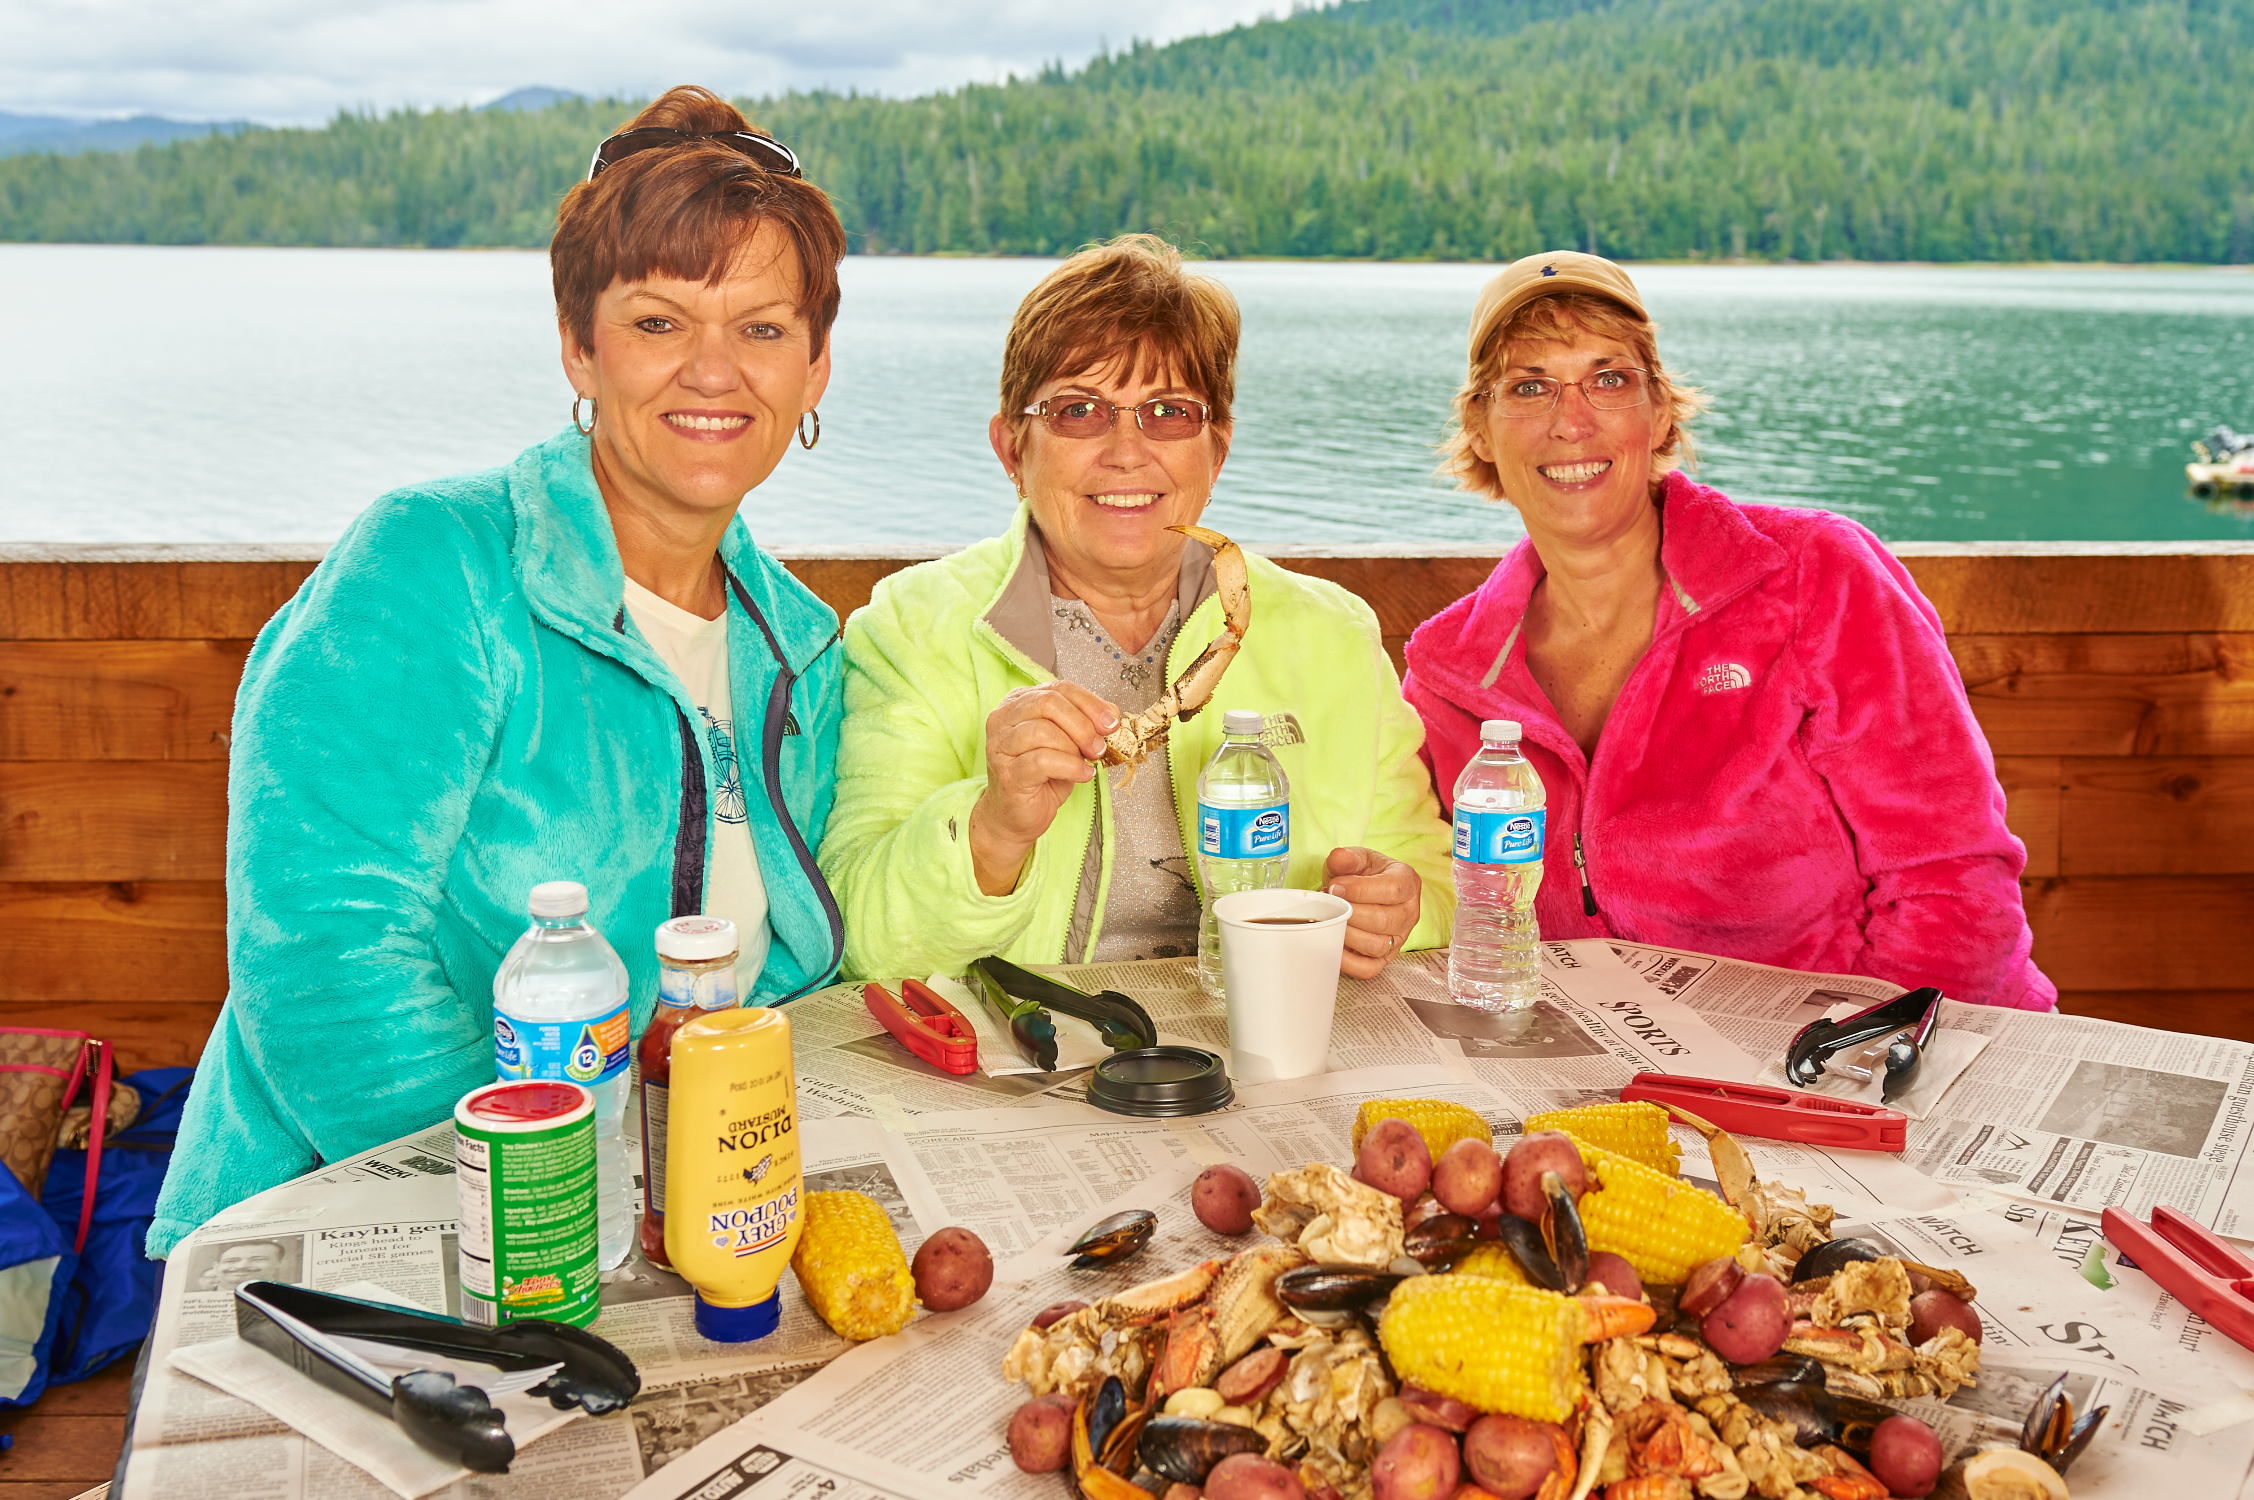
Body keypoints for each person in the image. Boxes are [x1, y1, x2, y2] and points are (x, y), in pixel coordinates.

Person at [151, 87, 851, 1257]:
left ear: (816, 370)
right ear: (580, 347)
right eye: (659, 323)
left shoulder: (800, 645)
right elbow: (322, 966)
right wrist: (544, 1204)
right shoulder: (432, 566)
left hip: (662, 1230)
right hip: (350, 1221)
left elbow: (773, 983)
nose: (715, 372)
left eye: (764, 328)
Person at [1403, 251, 2054, 1010]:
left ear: (1661, 411)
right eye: (1530, 386)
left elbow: (1953, 879)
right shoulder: (1449, 678)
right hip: (1610, 1078)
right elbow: (1449, 900)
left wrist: (1864, 1067)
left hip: (1873, 1055)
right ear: (1480, 428)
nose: (1571, 420)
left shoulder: (1816, 575)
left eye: (1609, 379)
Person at [820, 235, 1453, 981]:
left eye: (1169, 412)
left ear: (1216, 451)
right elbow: (858, 936)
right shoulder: (910, 630)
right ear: (1011, 449)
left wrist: (1397, 907)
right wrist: (992, 830)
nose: (1127, 450)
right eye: (1079, 410)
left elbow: (1436, 883)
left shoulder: (1332, 636)